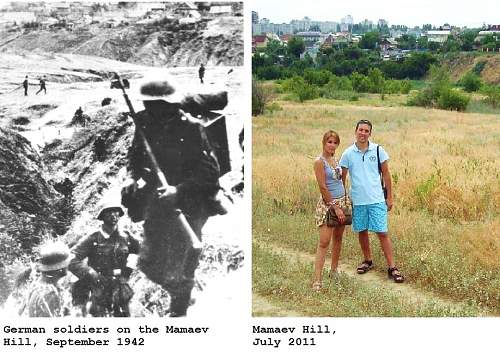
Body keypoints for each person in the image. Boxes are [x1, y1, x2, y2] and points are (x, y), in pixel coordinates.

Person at [121, 78, 225, 316]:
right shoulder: (144, 122)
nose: (147, 108)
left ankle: (179, 312)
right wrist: (131, 178)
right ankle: (184, 292)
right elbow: (134, 157)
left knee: (181, 263)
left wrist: (178, 191)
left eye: (152, 104)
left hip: (192, 204)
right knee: (147, 263)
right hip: (158, 199)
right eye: (146, 104)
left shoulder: (191, 127)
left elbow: (210, 173)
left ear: (168, 104)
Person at [339, 119, 404, 283]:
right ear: (355, 131)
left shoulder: (378, 150)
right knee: (362, 231)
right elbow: (342, 178)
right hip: (358, 201)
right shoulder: (347, 153)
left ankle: (392, 267)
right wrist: (342, 200)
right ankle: (367, 260)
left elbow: (387, 175)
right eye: (360, 130)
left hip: (376, 199)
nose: (363, 133)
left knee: (382, 232)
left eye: (366, 131)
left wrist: (389, 197)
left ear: (370, 133)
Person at [68, 204, 140, 317]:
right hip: (99, 287)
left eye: (116, 211)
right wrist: (91, 273)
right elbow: (71, 259)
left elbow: (142, 250)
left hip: (120, 286)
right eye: (108, 212)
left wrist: (129, 268)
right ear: (102, 216)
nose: (113, 215)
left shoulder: (126, 236)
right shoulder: (93, 238)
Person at [312, 130, 348, 291]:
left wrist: (345, 202)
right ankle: (317, 280)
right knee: (324, 242)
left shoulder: (335, 159)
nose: (332, 145)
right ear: (323, 142)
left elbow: (341, 180)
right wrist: (335, 207)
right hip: (329, 205)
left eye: (335, 142)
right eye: (329, 142)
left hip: (342, 201)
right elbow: (322, 187)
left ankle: (333, 271)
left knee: (338, 239)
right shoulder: (319, 162)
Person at [24, 242, 71, 317]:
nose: (68, 266)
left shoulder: (38, 284)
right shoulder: (49, 294)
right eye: (67, 264)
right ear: (60, 269)